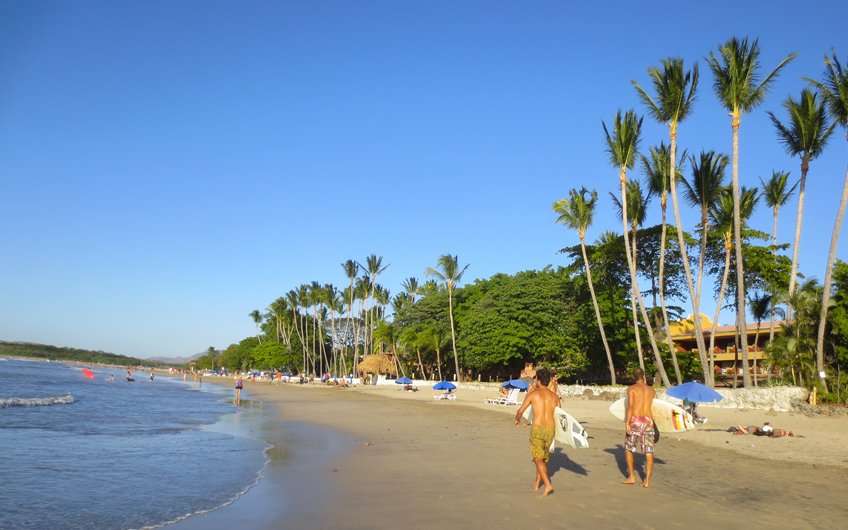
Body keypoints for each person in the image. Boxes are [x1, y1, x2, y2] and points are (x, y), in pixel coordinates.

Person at [514, 368, 558, 497]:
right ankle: (538, 481)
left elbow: (521, 410)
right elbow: (559, 415)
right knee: (543, 457)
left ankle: (548, 484)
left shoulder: (533, 394)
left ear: (538, 380)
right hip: (551, 429)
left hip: (538, 429)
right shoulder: (554, 397)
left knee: (537, 459)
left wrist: (517, 419)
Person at [623, 368, 656, 488]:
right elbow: (653, 407)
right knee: (648, 451)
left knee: (628, 448)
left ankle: (631, 476)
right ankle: (647, 480)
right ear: (644, 377)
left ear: (634, 377)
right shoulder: (652, 390)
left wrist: (627, 422)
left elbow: (631, 406)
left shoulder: (631, 389)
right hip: (648, 421)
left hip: (635, 421)